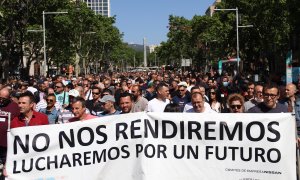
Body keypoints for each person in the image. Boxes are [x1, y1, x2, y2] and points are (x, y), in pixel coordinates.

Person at [0, 88, 20, 179]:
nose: (1, 100)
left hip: (7, 143)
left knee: (6, 167)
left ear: (9, 98)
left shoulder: (14, 106)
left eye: (4, 99)